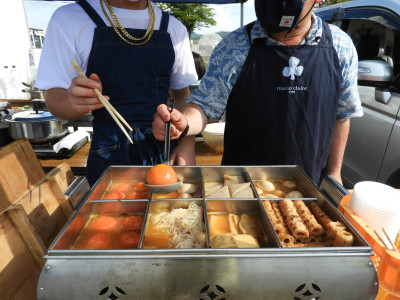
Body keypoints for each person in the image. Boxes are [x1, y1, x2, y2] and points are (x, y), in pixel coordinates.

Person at [152, 0, 363, 186]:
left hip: (309, 183)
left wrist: (334, 172)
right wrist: (185, 123)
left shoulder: (340, 46)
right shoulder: (235, 46)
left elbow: (342, 115)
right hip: (241, 184)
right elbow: (204, 106)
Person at [35, 0, 198, 186]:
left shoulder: (174, 28)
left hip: (164, 151)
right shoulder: (69, 19)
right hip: (107, 153)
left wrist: (187, 142)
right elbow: (54, 98)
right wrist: (73, 104)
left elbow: (182, 94)